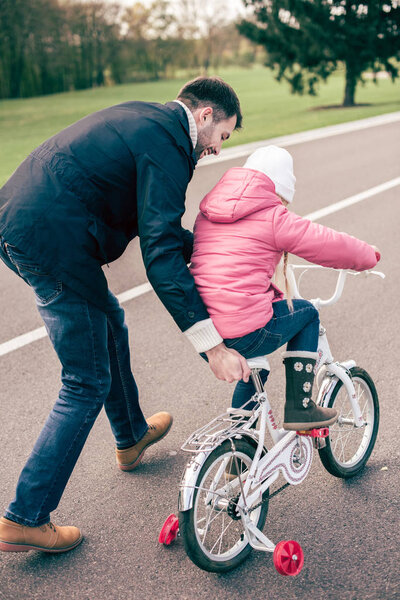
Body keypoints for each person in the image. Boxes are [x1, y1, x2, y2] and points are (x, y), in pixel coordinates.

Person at [0, 76, 251, 554]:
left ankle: (130, 436)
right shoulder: (171, 149)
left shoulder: (149, 120)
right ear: (204, 117)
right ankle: (24, 517)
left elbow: (156, 225)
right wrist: (213, 346)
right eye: (223, 135)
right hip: (50, 239)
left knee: (109, 320)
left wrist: (212, 252)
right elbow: (159, 253)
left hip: (21, 220)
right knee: (85, 380)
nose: (218, 148)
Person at [190, 145, 381, 430]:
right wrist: (368, 255)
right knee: (306, 313)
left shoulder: (208, 212)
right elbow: (325, 243)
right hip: (243, 327)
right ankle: (300, 409)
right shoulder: (273, 217)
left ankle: (238, 449)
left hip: (207, 332)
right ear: (279, 188)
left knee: (255, 368)